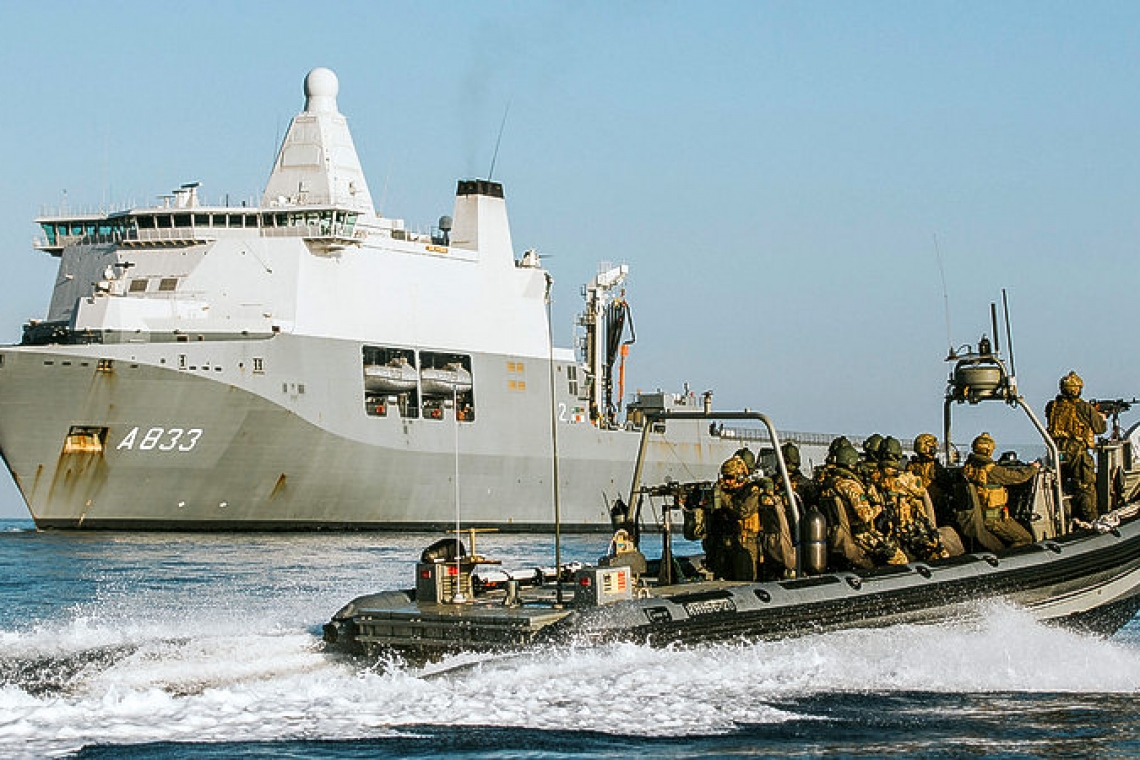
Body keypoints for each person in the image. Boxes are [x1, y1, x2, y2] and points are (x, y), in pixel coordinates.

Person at [822, 444, 908, 566]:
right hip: (859, 535)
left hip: (838, 536)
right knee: (899, 558)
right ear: (851, 463)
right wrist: (880, 505)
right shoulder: (851, 486)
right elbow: (865, 515)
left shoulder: (830, 484)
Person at [1046, 371, 1107, 521]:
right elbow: (1100, 429)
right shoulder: (1083, 407)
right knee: (1085, 487)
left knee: (1059, 486)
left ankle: (1064, 518)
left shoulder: (1052, 406)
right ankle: (1090, 520)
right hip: (1077, 452)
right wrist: (1101, 417)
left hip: (1057, 452)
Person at [961, 432, 1036, 548]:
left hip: (979, 515)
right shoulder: (991, 470)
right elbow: (1017, 477)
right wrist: (1033, 468)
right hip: (993, 519)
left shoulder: (968, 468)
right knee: (1025, 538)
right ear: (988, 450)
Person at [878, 453, 949, 561]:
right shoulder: (906, 479)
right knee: (938, 550)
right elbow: (922, 493)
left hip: (891, 528)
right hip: (908, 528)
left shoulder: (876, 480)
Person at [710, 456, 762, 581]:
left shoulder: (752, 491)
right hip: (725, 542)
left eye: (730, 478)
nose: (726, 482)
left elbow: (743, 511)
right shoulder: (724, 491)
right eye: (724, 477)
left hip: (745, 542)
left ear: (740, 477)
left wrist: (721, 497)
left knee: (744, 579)